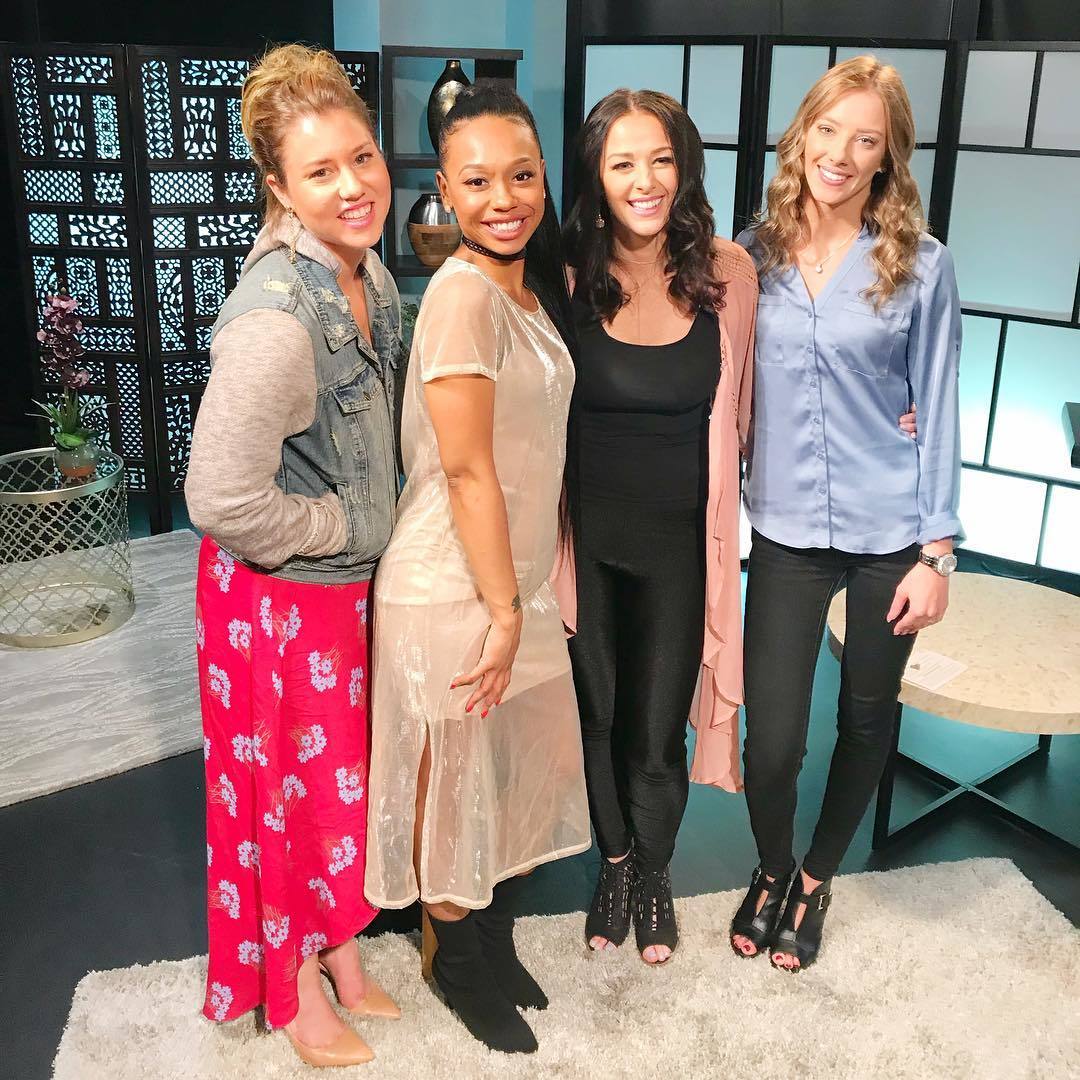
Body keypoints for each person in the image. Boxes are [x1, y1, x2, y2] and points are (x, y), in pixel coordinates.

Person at [185, 44, 402, 1068]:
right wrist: (348, 528)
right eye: (321, 171)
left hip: (339, 595)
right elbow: (218, 499)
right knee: (284, 798)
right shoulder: (274, 321)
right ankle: (293, 985)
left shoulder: (369, 272)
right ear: (278, 187)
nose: (354, 186)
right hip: (275, 600)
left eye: (362, 157)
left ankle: (341, 946)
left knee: (338, 788)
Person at [364, 84, 590, 1054]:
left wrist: (522, 598)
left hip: (512, 584)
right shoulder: (461, 295)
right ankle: (455, 961)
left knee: (508, 776)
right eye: (478, 180)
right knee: (458, 785)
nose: (504, 198)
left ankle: (488, 939)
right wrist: (503, 609)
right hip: (457, 587)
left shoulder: (524, 291)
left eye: (522, 175)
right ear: (446, 193)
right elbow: (465, 469)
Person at [730, 55, 962, 972]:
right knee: (773, 740)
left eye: (866, 139)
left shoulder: (924, 265)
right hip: (785, 527)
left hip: (888, 528)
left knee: (866, 719)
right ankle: (772, 866)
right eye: (828, 130)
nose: (841, 153)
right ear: (802, 136)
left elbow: (938, 403)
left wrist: (936, 553)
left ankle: (816, 879)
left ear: (887, 157)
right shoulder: (751, 256)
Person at [558, 89, 757, 966]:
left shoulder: (727, 274)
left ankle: (655, 874)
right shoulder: (565, 272)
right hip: (585, 546)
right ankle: (614, 865)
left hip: (682, 550)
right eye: (623, 163)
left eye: (662, 159)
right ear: (597, 177)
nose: (645, 181)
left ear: (685, 168)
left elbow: (752, 406)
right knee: (597, 721)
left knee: (654, 734)